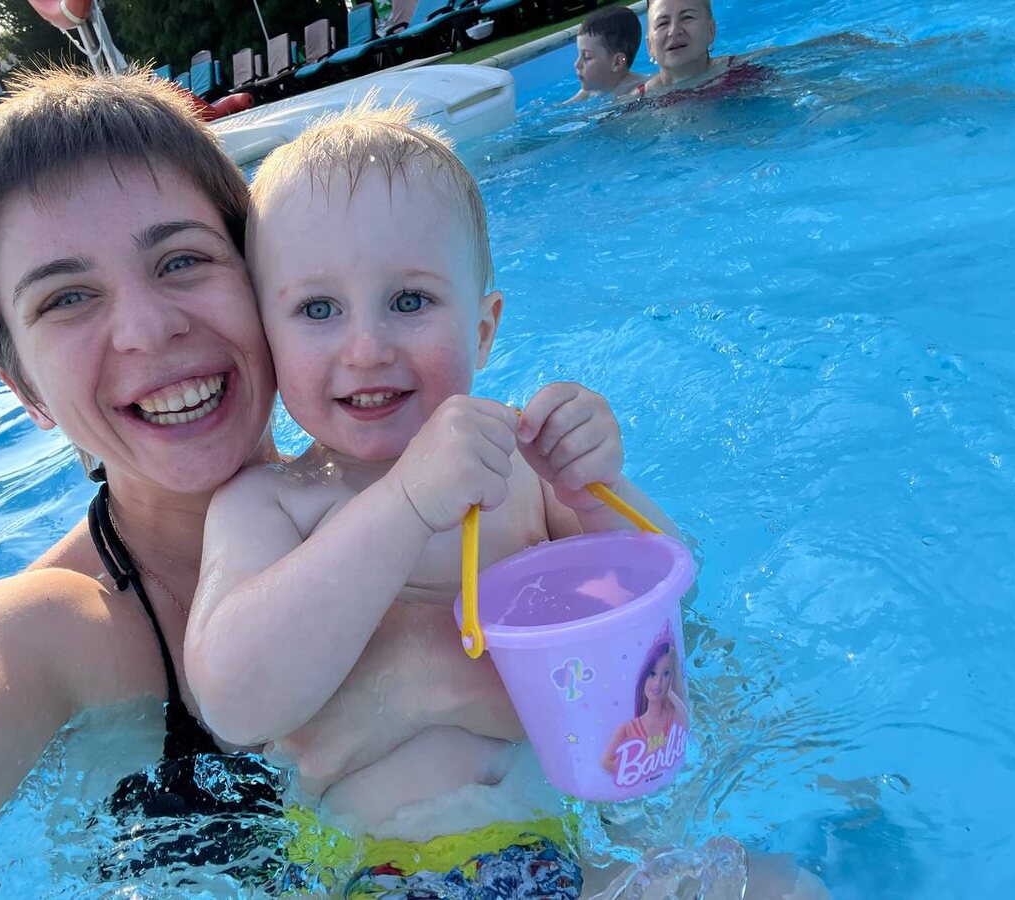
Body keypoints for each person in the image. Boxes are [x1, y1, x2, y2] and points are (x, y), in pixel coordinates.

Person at [0, 70, 521, 898]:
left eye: (182, 259)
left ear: (263, 279)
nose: (149, 330)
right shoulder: (43, 638)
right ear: (26, 391)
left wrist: (439, 667)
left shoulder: (466, 484)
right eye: (67, 297)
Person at [183, 103, 683, 895]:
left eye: (410, 301)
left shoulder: (523, 474)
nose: (366, 348)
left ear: (483, 330)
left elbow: (667, 609)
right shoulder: (270, 506)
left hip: (572, 852)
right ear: (268, 341)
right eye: (317, 310)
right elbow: (234, 702)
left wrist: (594, 487)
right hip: (382, 872)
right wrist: (409, 500)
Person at [634, 0, 768, 102]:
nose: (674, 31)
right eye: (663, 23)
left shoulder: (746, 72)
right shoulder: (637, 101)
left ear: (711, 31)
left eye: (687, 17)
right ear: (650, 46)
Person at [601, 637, 690, 772]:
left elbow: (686, 727)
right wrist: (635, 768)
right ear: (644, 676)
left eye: (666, 674)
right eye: (652, 673)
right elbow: (606, 762)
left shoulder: (672, 716)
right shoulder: (628, 729)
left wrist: (671, 694)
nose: (658, 682)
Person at [565, 6, 645, 104]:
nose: (577, 64)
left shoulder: (639, 90)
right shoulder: (592, 88)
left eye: (587, 57)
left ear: (617, 62)